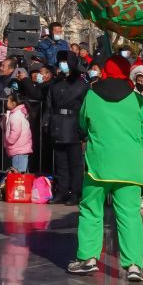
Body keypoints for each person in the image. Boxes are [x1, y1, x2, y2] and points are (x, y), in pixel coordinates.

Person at [69, 56, 143, 281]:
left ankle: (88, 258)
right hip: (130, 166)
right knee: (130, 215)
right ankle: (134, 265)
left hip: (99, 164)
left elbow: (83, 122)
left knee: (91, 210)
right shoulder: (137, 100)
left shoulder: (92, 95)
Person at [44, 55, 89, 204]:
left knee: (75, 163)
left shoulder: (81, 84)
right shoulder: (55, 83)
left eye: (65, 61)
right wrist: (47, 123)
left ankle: (75, 192)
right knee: (61, 162)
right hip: (57, 124)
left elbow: (85, 107)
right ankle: (62, 191)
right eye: (61, 62)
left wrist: (83, 129)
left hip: (73, 125)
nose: (63, 64)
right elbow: (49, 105)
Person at [1, 90, 33, 177]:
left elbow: (16, 131)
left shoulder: (16, 115)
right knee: (19, 174)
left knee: (17, 175)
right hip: (20, 149)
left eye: (8, 101)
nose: (6, 102)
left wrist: (8, 140)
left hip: (18, 150)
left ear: (13, 104)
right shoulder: (18, 113)